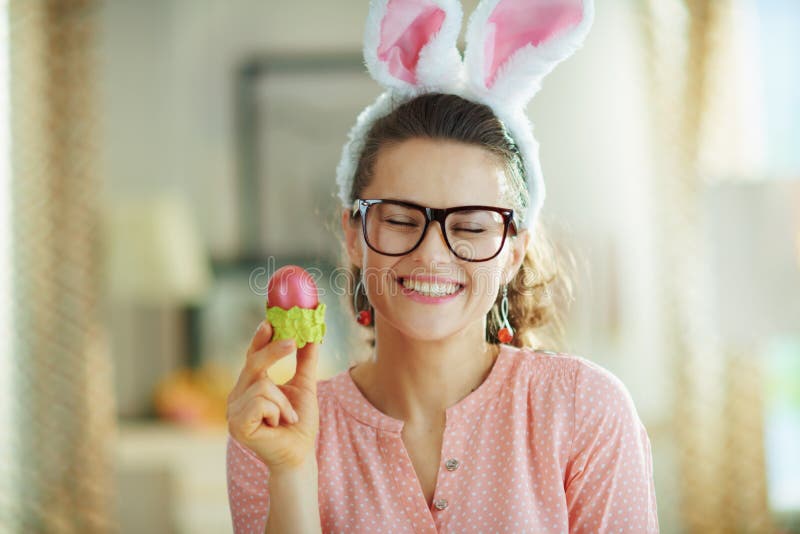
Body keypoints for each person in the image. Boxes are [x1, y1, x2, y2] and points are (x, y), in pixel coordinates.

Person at [226, 1, 659, 533]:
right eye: (403, 220)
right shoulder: (271, 430)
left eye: (473, 227)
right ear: (354, 236)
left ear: (513, 252)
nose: (433, 253)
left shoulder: (584, 410)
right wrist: (291, 470)